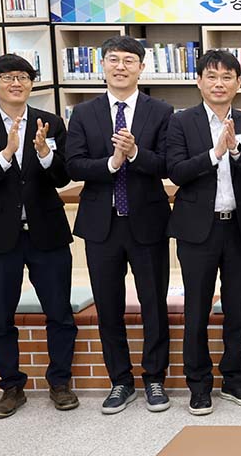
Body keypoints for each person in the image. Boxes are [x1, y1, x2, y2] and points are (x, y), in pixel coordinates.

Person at [0, 54, 77, 419]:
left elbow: (63, 176)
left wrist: (44, 154)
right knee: (0, 317)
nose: (17, 83)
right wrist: (6, 154)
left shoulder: (51, 122)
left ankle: (60, 382)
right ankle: (11, 387)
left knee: (59, 313)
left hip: (47, 231)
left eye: (24, 77)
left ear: (31, 83)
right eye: (8, 77)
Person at [64, 35, 174, 415]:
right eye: (113, 59)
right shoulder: (83, 113)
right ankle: (120, 381)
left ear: (142, 67)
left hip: (147, 222)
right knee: (108, 307)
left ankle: (155, 378)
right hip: (101, 225)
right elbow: (73, 164)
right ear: (103, 66)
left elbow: (167, 165)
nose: (121, 66)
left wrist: (136, 153)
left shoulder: (161, 111)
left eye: (129, 60)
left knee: (153, 304)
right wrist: (112, 163)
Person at [166, 49, 241, 416]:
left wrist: (236, 151)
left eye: (227, 77)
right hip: (198, 230)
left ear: (238, 83)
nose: (219, 83)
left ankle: (235, 379)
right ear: (199, 81)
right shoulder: (181, 122)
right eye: (212, 76)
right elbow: (176, 171)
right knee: (197, 310)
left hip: (239, 228)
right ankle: (199, 385)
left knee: (237, 310)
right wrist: (214, 153)